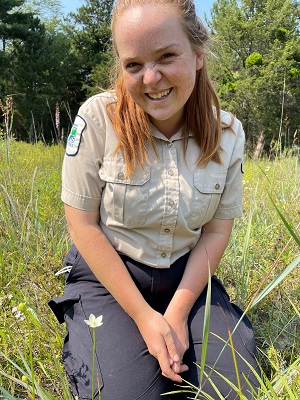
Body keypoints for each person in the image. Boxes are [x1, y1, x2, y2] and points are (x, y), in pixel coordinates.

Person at [49, 0, 260, 399]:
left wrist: (178, 313)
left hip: (187, 279)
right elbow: (83, 224)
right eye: (133, 65)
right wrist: (145, 317)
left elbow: (216, 231)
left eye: (166, 56)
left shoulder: (228, 133)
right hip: (110, 279)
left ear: (197, 54)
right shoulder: (97, 119)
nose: (151, 78)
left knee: (235, 389)